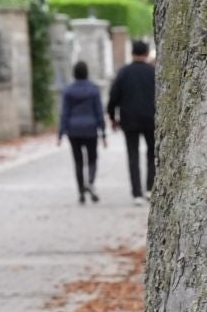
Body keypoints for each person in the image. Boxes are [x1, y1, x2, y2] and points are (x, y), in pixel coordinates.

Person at [108, 39, 158, 200]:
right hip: (151, 118)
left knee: (133, 155)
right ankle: (150, 187)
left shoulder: (123, 72)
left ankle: (136, 193)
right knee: (152, 153)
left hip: (129, 120)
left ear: (132, 53)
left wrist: (112, 117)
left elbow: (113, 96)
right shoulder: (153, 72)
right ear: (146, 53)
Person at [58, 60, 107, 204]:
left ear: (74, 73)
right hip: (91, 129)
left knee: (78, 161)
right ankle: (90, 182)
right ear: (87, 72)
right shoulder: (93, 89)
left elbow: (64, 113)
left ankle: (81, 191)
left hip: (74, 130)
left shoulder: (68, 90)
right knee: (92, 158)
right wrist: (103, 132)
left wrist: (61, 133)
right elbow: (99, 112)